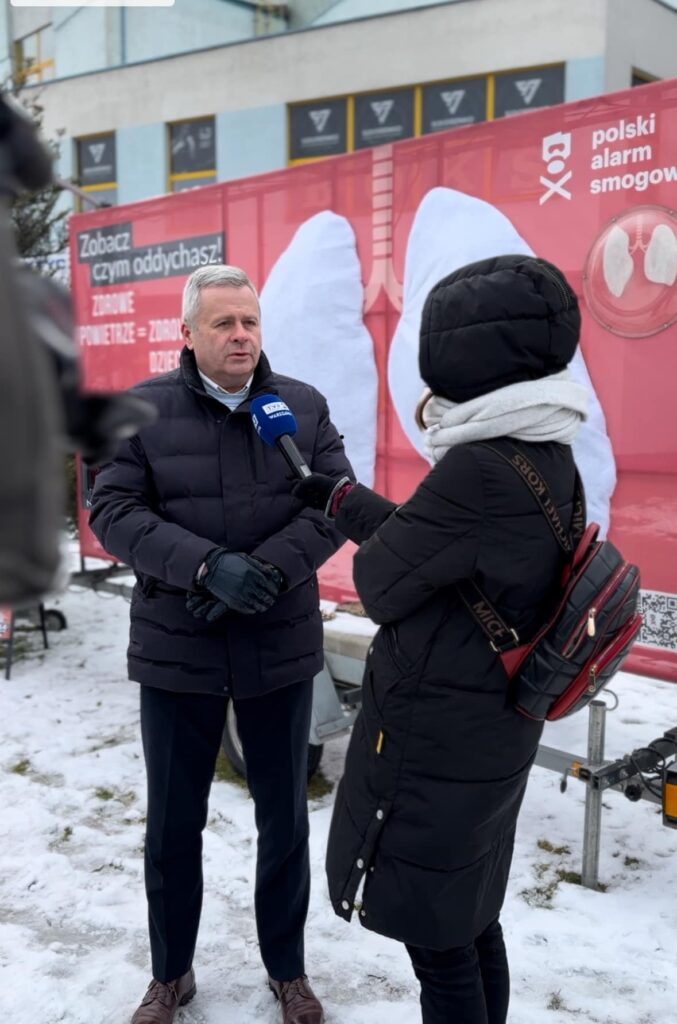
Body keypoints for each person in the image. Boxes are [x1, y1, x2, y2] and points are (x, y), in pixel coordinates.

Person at [293, 254, 590, 1024]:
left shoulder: (477, 468)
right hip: (493, 723)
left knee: (439, 946)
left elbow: (385, 584)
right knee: (470, 915)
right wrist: (344, 501)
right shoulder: (545, 453)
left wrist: (360, 523)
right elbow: (450, 554)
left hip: (436, 742)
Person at [89, 264, 353, 1024]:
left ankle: (289, 973)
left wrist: (262, 570)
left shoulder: (299, 407)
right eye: (223, 324)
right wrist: (206, 566)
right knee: (173, 823)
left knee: (285, 817)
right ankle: (170, 975)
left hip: (279, 641)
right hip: (180, 644)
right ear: (187, 334)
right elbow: (112, 509)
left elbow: (332, 502)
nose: (240, 336)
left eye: (249, 323)